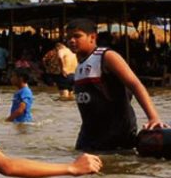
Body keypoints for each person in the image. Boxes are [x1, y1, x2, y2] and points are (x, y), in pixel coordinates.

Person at [67, 18, 165, 151]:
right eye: (69, 37)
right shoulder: (80, 65)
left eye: (77, 36)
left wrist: (153, 118)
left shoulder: (107, 57)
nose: (71, 41)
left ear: (92, 37)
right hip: (89, 136)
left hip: (116, 135)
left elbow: (135, 85)